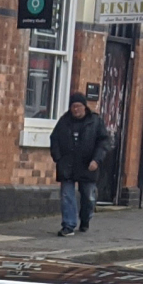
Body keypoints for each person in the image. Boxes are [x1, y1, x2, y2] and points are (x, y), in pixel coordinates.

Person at [49, 91, 109, 236]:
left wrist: (96, 160)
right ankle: (68, 225)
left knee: (88, 197)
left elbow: (104, 142)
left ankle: (85, 219)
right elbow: (54, 139)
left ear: (84, 107)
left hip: (88, 165)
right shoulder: (64, 121)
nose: (75, 109)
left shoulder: (95, 121)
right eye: (73, 106)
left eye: (78, 106)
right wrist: (58, 158)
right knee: (67, 196)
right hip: (67, 165)